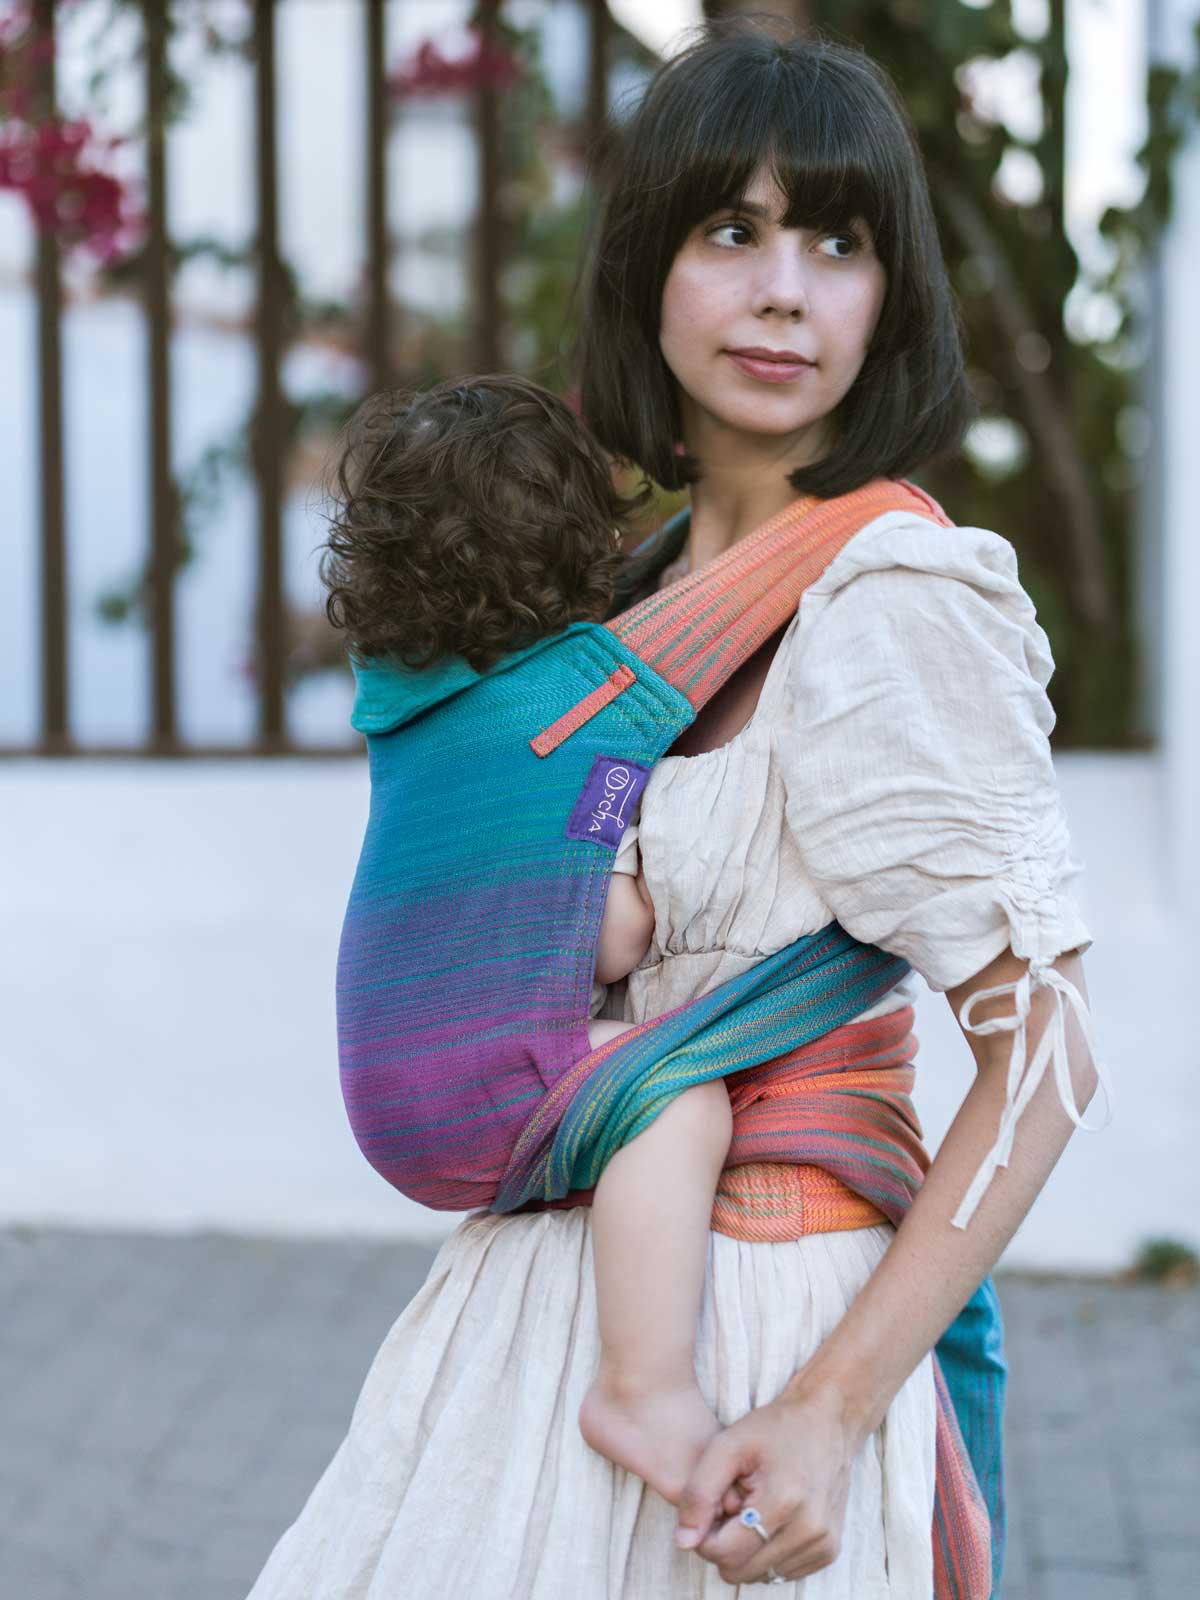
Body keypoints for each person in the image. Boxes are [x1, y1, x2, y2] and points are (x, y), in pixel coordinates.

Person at [247, 20, 1112, 1598]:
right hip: (530, 1348)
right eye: (734, 231)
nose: (786, 289)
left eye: (839, 243)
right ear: (650, 266)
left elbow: (1046, 1049)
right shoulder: (613, 614)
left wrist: (825, 1413)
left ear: (889, 298)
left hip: (768, 1354)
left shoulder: (890, 599)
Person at [320, 373, 741, 1503]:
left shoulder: (400, 697)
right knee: (683, 1101)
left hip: (381, 1085)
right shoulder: (586, 707)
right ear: (579, 545)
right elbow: (605, 928)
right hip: (482, 1100)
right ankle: (641, 1387)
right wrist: (650, 878)